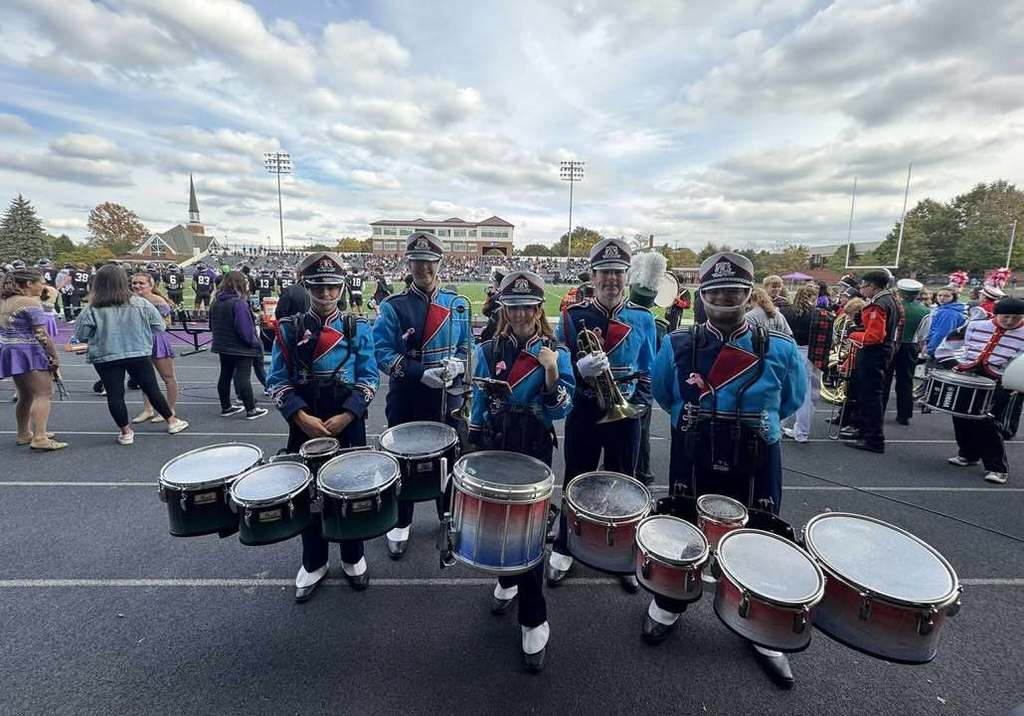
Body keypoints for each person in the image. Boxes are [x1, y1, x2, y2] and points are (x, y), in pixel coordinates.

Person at [646, 251, 806, 689]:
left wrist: (760, 422)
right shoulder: (677, 344)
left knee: (759, 534)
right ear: (703, 295)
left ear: (747, 293)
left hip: (755, 452)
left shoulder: (779, 348)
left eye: (734, 291)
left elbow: (792, 399)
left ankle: (761, 622)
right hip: (695, 449)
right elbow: (664, 392)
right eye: (715, 291)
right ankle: (670, 603)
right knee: (683, 528)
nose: (725, 299)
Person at [468, 270, 574, 673]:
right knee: (498, 522)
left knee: (528, 530)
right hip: (496, 443)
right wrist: (474, 440)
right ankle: (507, 580)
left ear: (538, 308)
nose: (520, 314)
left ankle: (534, 616)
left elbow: (563, 408)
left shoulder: (553, 351)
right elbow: (479, 399)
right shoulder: (489, 346)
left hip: (532, 445)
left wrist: (550, 375)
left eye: (527, 307)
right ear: (504, 309)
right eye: (513, 307)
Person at [268, 252, 379, 600]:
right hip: (306, 419)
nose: (327, 294)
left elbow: (370, 377)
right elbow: (276, 381)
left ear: (342, 287)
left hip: (347, 419)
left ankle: (353, 555)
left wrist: (348, 413)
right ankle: (313, 560)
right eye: (319, 287)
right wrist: (300, 416)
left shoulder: (358, 327)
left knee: (352, 488)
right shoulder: (287, 329)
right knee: (308, 493)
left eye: (333, 287)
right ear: (307, 286)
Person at [547, 238, 656, 591]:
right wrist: (578, 369)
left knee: (624, 483)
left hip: (625, 414)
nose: (611, 279)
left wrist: (637, 405)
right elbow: (561, 360)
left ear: (626, 276)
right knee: (576, 478)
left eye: (618, 273)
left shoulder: (642, 318)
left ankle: (622, 553)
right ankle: (565, 543)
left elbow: (647, 370)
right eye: (604, 272)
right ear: (593, 276)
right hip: (586, 408)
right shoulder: (573, 315)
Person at [371, 232, 469, 557]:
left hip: (447, 396)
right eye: (417, 261)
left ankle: (448, 515)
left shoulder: (456, 303)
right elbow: (382, 352)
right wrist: (417, 372)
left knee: (449, 459)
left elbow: (468, 347)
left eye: (429, 262)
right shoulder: (393, 306)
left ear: (439, 264)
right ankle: (402, 520)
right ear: (408, 264)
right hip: (407, 397)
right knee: (404, 460)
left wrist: (460, 365)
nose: (423, 268)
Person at [74, 265, 189, 444]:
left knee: (115, 393)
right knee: (152, 388)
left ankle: (126, 432)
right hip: (137, 351)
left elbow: (81, 335)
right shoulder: (140, 303)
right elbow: (160, 326)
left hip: (106, 355)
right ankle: (171, 421)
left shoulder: (92, 309)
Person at [947, 298, 1024, 485]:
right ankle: (968, 454)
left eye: (1016, 318)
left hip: (1001, 381)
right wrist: (954, 364)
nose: (1010, 322)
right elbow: (949, 343)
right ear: (997, 314)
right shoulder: (975, 325)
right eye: (1006, 317)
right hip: (969, 374)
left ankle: (997, 467)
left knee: (987, 422)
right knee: (960, 415)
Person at [0, 267, 66, 450]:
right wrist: (54, 356)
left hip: (9, 348)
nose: (44, 285)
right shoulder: (30, 303)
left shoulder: (4, 300)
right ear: (29, 284)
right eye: (41, 282)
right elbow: (42, 334)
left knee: (25, 395)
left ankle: (24, 433)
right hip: (28, 350)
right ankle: (40, 437)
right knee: (43, 393)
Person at [839, 270, 903, 453]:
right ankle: (865, 431)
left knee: (871, 397)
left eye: (864, 285)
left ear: (873, 286)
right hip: (882, 351)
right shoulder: (890, 299)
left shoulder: (878, 305)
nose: (861, 288)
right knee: (869, 395)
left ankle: (874, 438)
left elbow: (874, 336)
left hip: (874, 353)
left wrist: (853, 333)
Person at [628, 251, 670, 485]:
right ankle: (643, 469)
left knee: (637, 431)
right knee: (642, 430)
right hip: (646, 384)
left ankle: (640, 469)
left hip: (636, 383)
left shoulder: (626, 319)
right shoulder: (660, 325)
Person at [777, 284, 833, 442]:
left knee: (789, 392)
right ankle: (801, 432)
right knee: (809, 395)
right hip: (814, 355)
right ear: (813, 297)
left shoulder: (786, 312)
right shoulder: (823, 314)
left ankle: (781, 426)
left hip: (792, 352)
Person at [209, 272, 268, 420]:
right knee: (243, 378)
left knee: (225, 375)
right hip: (241, 347)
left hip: (223, 345)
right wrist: (254, 343)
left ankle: (226, 407)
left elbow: (211, 325)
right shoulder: (238, 303)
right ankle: (251, 409)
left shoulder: (216, 301)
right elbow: (244, 330)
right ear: (239, 284)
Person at [129, 273, 180, 424]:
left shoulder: (159, 301)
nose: (137, 286)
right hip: (139, 341)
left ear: (151, 286)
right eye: (134, 283)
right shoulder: (131, 302)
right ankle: (148, 409)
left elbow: (167, 324)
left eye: (141, 283)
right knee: (145, 379)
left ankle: (170, 409)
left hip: (156, 340)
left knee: (168, 377)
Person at [883, 279, 929, 426]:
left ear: (900, 292)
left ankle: (879, 411)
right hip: (910, 347)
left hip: (890, 344)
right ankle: (904, 415)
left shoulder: (892, 306)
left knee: (884, 380)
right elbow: (923, 335)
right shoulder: (925, 311)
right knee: (906, 381)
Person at [927, 287, 967, 359]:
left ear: (953, 297)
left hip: (938, 350)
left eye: (947, 296)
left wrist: (930, 350)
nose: (942, 298)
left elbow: (941, 334)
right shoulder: (945, 309)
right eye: (939, 295)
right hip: (948, 349)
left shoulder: (948, 313)